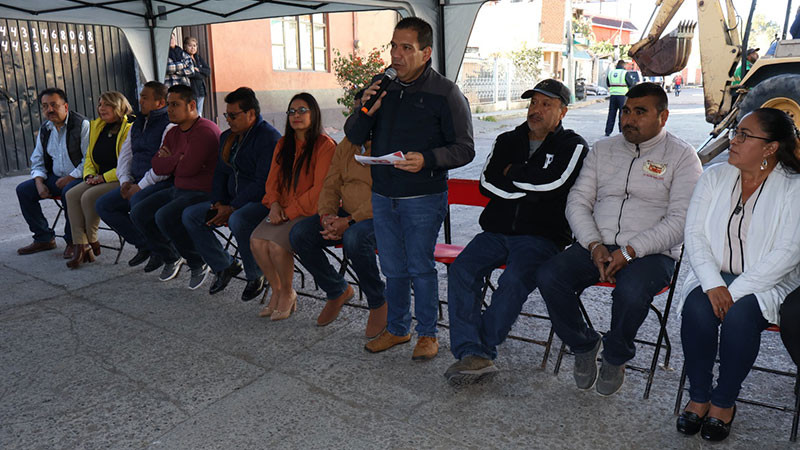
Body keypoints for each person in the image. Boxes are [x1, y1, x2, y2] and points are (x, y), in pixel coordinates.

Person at [535, 82, 703, 396]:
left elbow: (682, 220)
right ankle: (583, 343)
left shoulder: (682, 156)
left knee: (631, 290)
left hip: (653, 253)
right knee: (549, 274)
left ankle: (615, 354)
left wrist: (631, 250)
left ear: (662, 117)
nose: (629, 119)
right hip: (596, 243)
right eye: (626, 111)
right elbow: (578, 201)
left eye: (640, 112)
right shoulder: (603, 149)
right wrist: (593, 243)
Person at [346, 17, 475, 361]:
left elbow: (465, 147)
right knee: (392, 266)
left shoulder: (444, 92)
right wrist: (365, 108)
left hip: (423, 195)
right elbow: (355, 135)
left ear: (426, 52)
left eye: (406, 48)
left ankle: (428, 334)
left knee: (419, 265)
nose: (396, 55)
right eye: (393, 46)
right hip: (383, 194)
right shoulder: (381, 84)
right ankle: (398, 328)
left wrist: (428, 159)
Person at [444, 79, 589, 385]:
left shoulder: (573, 146)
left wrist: (514, 175)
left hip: (542, 236)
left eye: (546, 104)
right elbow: (487, 184)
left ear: (562, 112)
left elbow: (555, 184)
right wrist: (530, 187)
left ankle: (480, 350)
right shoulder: (506, 140)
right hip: (496, 230)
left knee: (513, 279)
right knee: (461, 270)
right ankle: (473, 351)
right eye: (533, 103)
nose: (536, 110)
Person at [676, 108, 800, 441]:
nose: (734, 140)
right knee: (696, 311)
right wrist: (714, 284)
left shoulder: (794, 188)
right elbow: (695, 234)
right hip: (712, 274)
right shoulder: (714, 176)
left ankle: (724, 401)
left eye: (745, 135)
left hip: (766, 281)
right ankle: (699, 395)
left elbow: (787, 254)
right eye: (736, 132)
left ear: (770, 148)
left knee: (739, 318)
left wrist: (735, 290)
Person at [289, 95, 386, 335]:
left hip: (381, 215)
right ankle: (337, 290)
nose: (359, 117)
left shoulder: (389, 144)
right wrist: (327, 216)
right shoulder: (347, 144)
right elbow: (331, 184)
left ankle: (378, 301)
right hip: (347, 214)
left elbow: (385, 196)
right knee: (300, 234)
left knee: (354, 238)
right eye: (356, 111)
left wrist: (349, 221)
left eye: (365, 112)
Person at [182, 87, 281, 301]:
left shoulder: (269, 138)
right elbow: (220, 173)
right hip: (231, 201)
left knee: (238, 219)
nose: (228, 120)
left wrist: (232, 207)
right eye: (226, 114)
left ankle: (256, 275)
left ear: (251, 114)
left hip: (261, 201)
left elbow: (263, 183)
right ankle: (224, 265)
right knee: (191, 215)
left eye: (233, 115)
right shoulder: (228, 137)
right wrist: (219, 202)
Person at [250, 93, 336, 321]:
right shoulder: (283, 144)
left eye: (302, 110)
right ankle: (278, 290)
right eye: (291, 111)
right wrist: (274, 204)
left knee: (277, 247)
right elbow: (273, 180)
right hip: (282, 209)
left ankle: (288, 292)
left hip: (308, 212)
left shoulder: (324, 146)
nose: (296, 116)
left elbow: (320, 191)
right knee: (257, 242)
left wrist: (288, 212)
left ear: (314, 113)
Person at [130, 84, 221, 288]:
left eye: (175, 104)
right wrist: (177, 159)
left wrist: (173, 160)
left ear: (191, 105)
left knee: (164, 215)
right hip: (179, 188)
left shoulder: (204, 130)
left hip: (202, 191)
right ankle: (171, 257)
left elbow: (188, 168)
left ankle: (198, 262)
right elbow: (157, 164)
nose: (169, 109)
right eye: (169, 104)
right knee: (139, 212)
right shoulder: (173, 132)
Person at [95, 81, 174, 269]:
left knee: (137, 203)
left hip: (159, 183)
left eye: (145, 98)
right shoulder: (137, 122)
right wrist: (124, 181)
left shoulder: (169, 125)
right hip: (135, 181)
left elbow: (163, 168)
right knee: (104, 205)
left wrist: (140, 186)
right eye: (140, 96)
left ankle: (163, 250)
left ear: (160, 103)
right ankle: (146, 245)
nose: (140, 101)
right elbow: (126, 155)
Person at [16, 88, 89, 257]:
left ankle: (73, 241)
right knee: (24, 190)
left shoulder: (82, 125)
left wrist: (70, 177)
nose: (49, 110)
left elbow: (89, 160)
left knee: (69, 192)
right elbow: (37, 159)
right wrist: (39, 183)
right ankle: (44, 238)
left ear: (65, 106)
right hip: (55, 178)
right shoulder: (45, 129)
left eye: (54, 105)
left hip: (79, 177)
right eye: (45, 106)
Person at [64, 91, 133, 268]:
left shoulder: (129, 127)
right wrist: (89, 175)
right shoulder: (98, 126)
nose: (101, 108)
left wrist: (102, 178)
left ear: (118, 106)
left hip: (120, 178)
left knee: (88, 197)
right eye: (100, 104)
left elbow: (128, 163)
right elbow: (89, 157)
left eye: (106, 105)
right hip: (98, 177)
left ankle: (92, 239)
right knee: (71, 195)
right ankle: (81, 245)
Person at [183, 37, 211, 116]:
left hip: (201, 90)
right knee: (193, 113)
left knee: (199, 113)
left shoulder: (197, 57)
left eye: (194, 46)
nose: (193, 48)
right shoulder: (184, 57)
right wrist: (201, 74)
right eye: (190, 45)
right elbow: (191, 74)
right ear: (185, 47)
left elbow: (208, 71)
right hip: (192, 90)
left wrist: (198, 69)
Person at [605, 60, 633, 136]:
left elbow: (608, 83)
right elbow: (630, 83)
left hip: (613, 95)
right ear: (623, 65)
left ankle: (608, 131)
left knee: (611, 113)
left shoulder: (611, 73)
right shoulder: (625, 73)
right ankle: (621, 131)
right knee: (622, 114)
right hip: (623, 96)